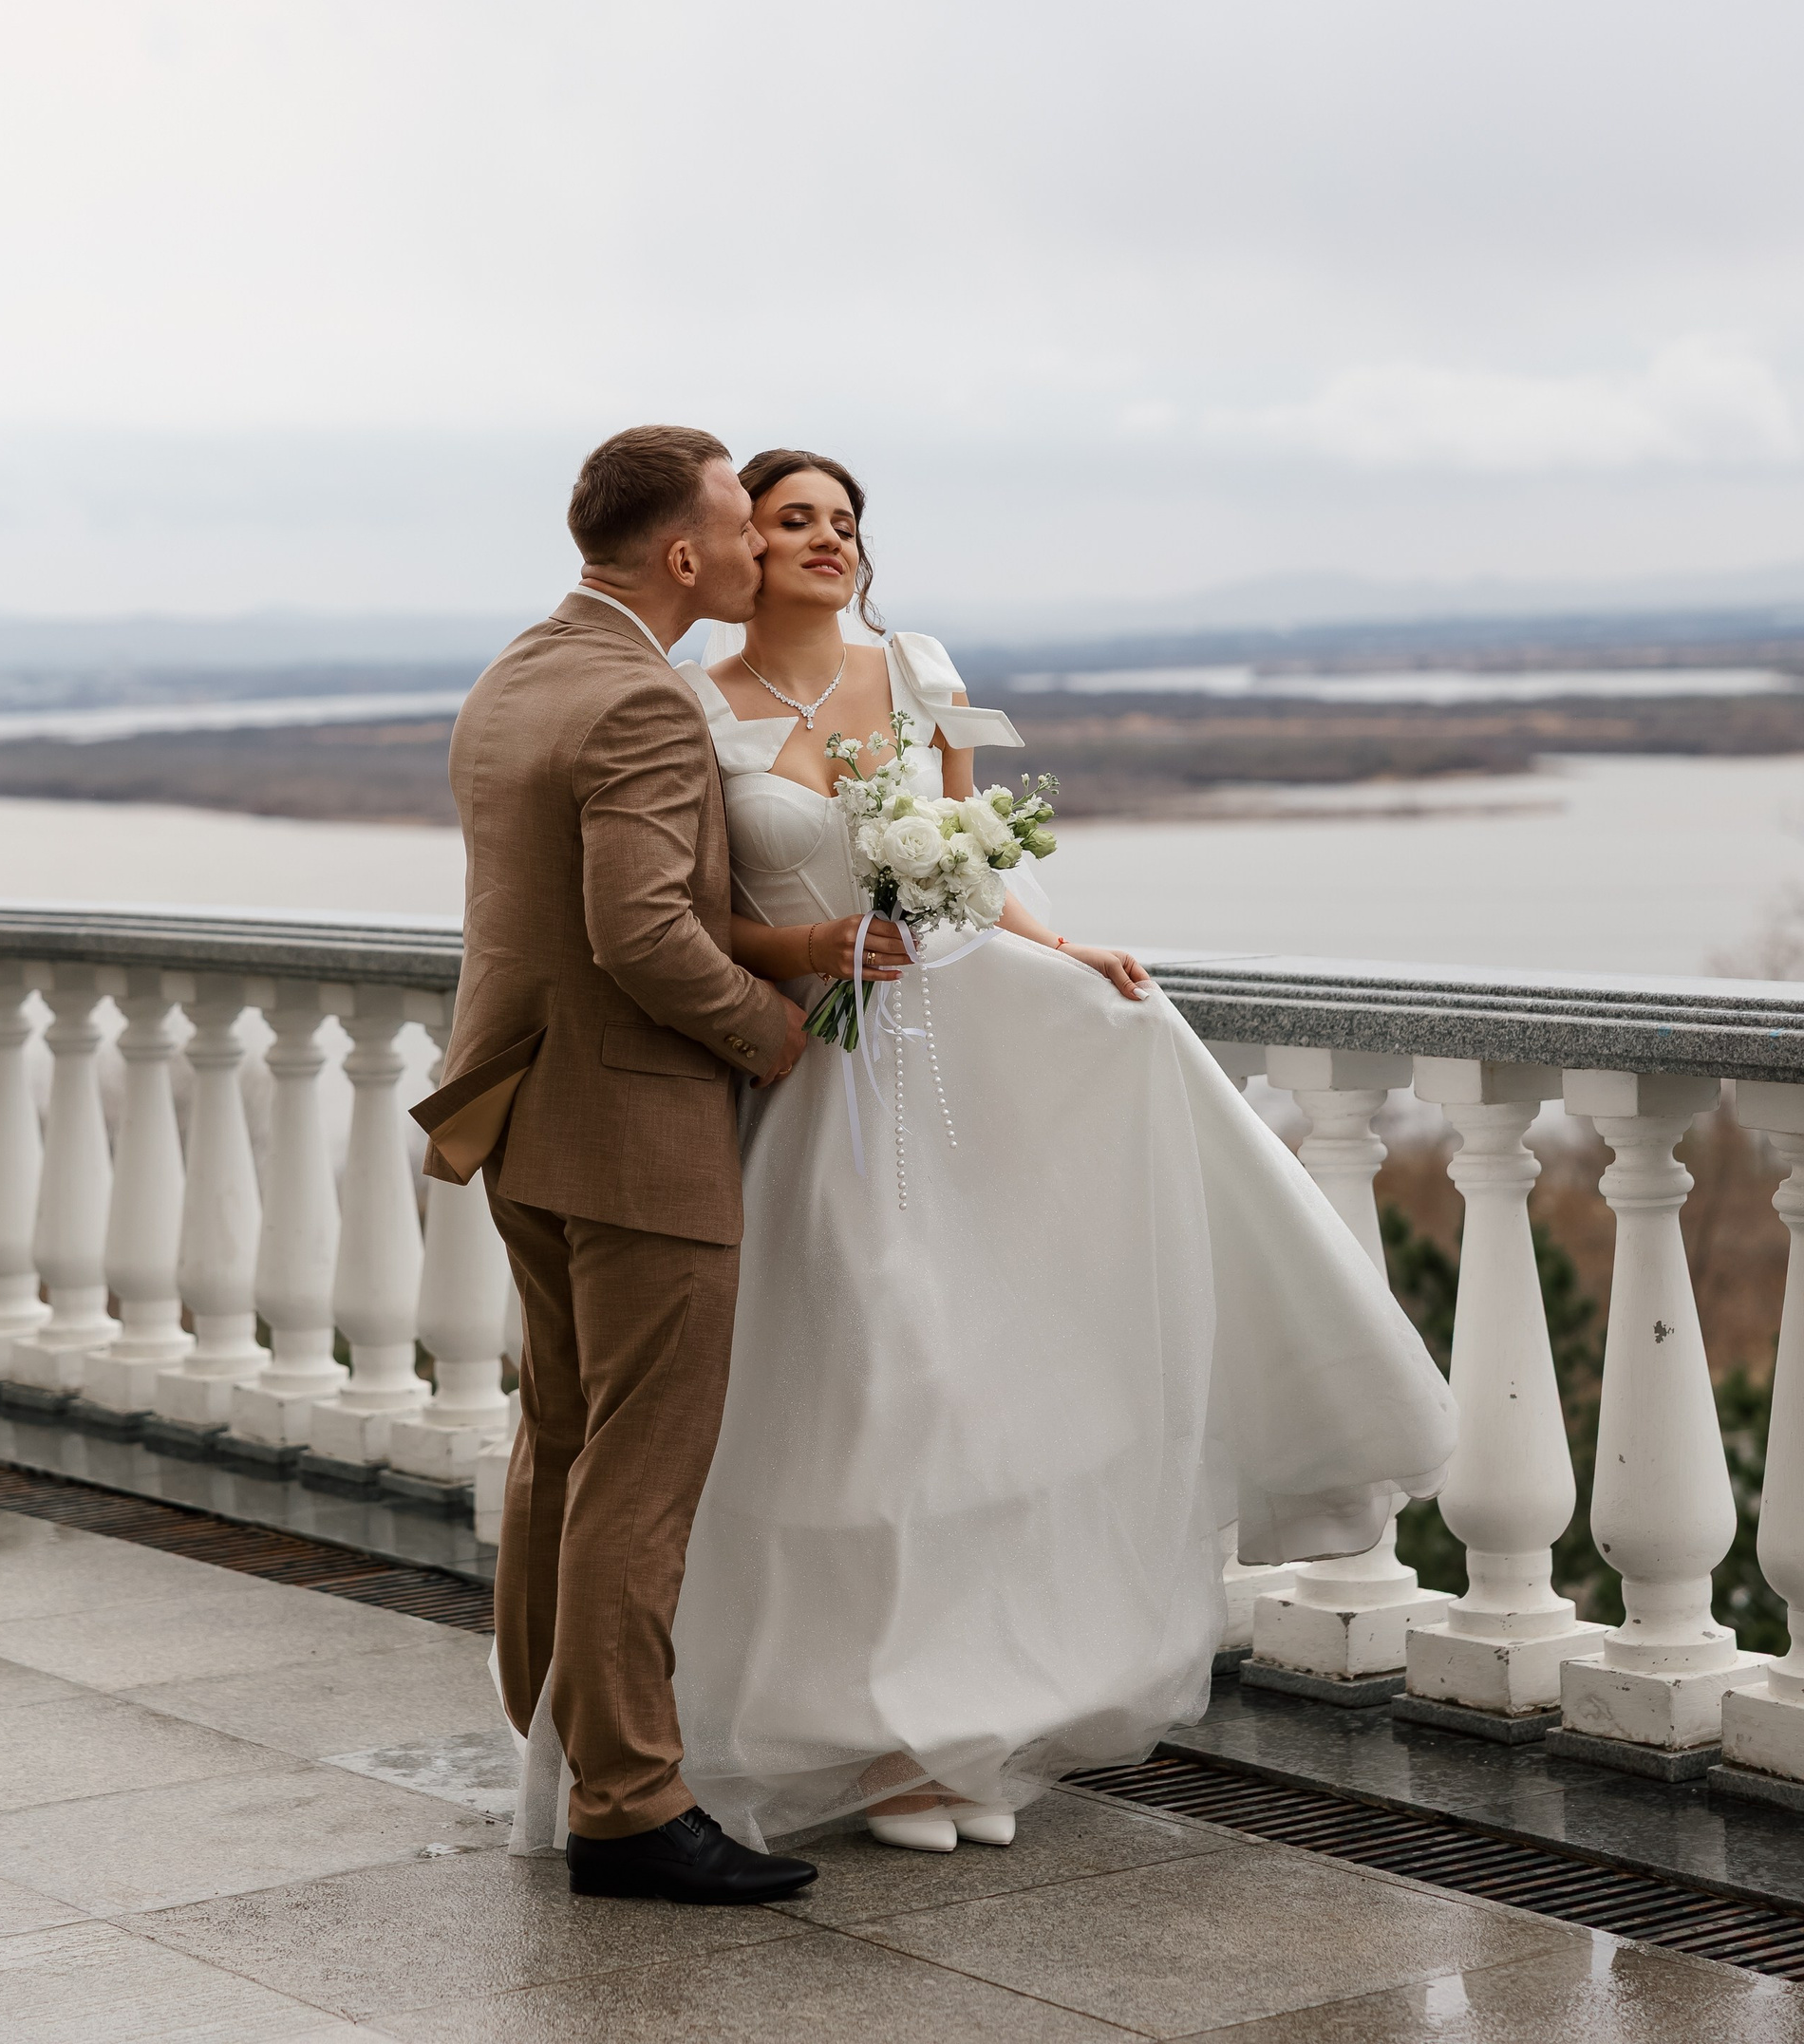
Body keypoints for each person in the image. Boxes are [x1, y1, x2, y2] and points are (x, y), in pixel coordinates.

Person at [656, 447, 1458, 1853]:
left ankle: (969, 1724)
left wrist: (1068, 950)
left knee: (989, 1398)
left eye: (846, 521)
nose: (831, 540)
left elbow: (980, 857)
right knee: (875, 1388)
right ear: (744, 548)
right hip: (827, 1068)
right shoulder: (695, 705)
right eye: (795, 520)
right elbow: (690, 911)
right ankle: (875, 1742)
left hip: (975, 1050)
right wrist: (810, 944)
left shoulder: (923, 668)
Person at [412, 425, 821, 1905]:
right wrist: (772, 1033)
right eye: (742, 527)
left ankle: (553, 1747)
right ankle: (633, 1806)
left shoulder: (518, 670)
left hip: (519, 1111)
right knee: (641, 1470)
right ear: (684, 555)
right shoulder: (646, 699)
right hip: (637, 1126)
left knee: (564, 1440)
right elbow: (641, 930)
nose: (762, 546)